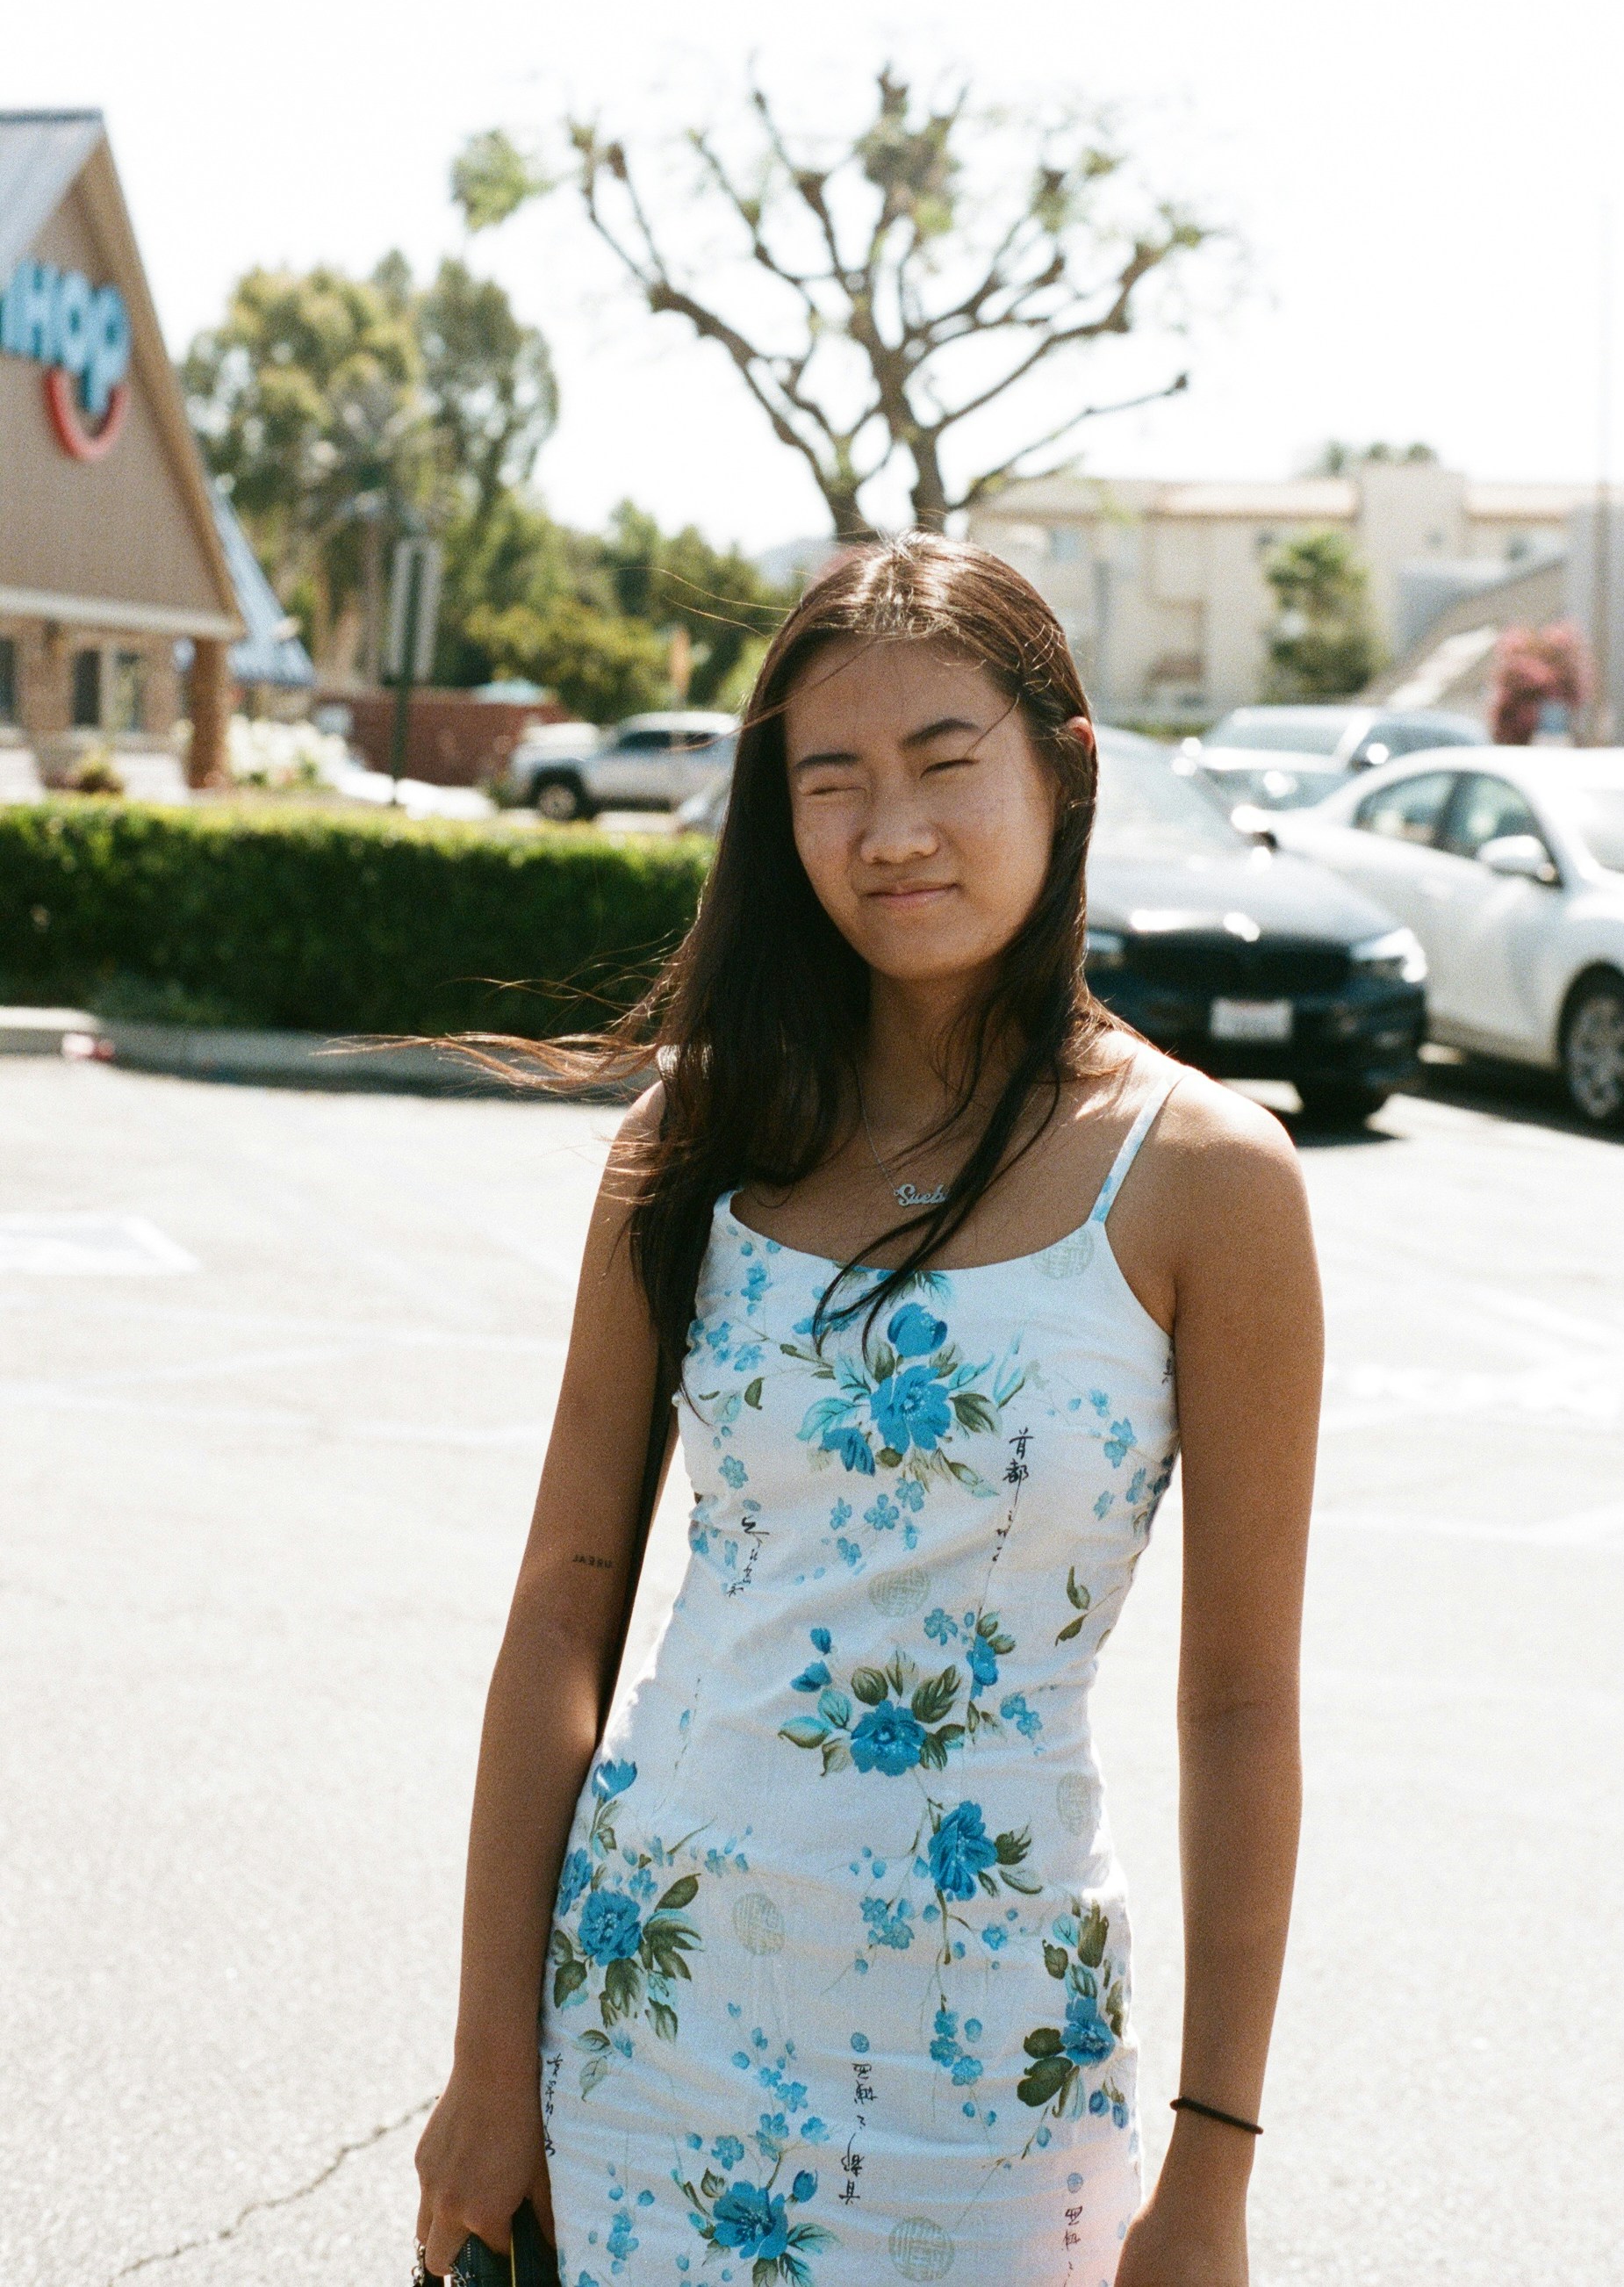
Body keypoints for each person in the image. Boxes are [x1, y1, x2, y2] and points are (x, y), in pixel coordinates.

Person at [415, 536, 1322, 2287]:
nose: (889, 827)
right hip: (641, 2014)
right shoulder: (693, 1143)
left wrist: (1211, 2165)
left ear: (1066, 763)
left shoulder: (1210, 1181)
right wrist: (483, 2054)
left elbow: (1240, 1698)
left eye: (943, 761)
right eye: (832, 780)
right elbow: (564, 1594)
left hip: (993, 2071)